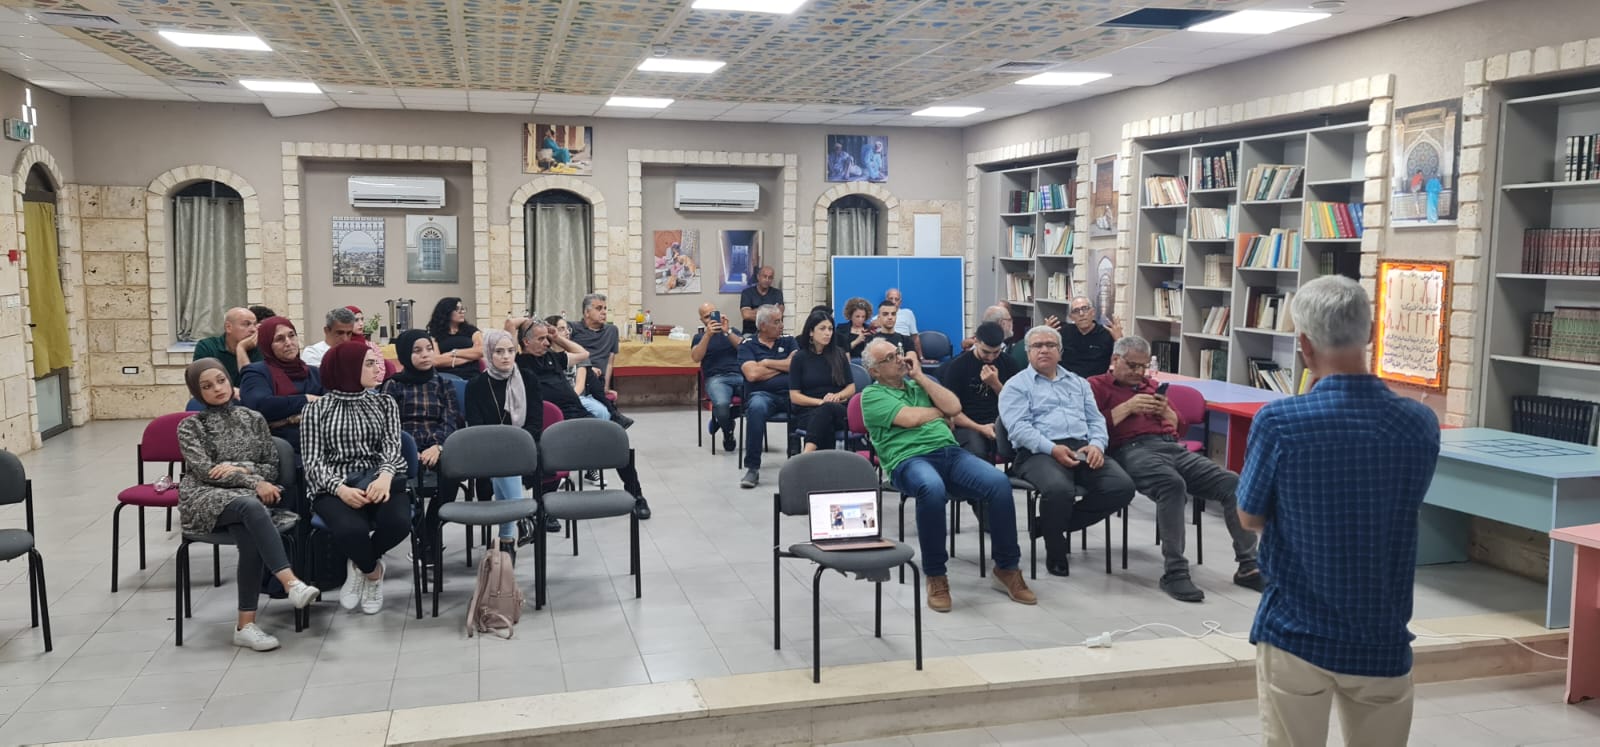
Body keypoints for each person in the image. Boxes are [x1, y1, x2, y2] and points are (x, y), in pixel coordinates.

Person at [1238, 276, 1440, 747]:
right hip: (1382, 635)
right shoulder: (1418, 423)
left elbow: (1249, 517)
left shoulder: (1280, 422)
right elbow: (1404, 500)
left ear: (1304, 344)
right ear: (1370, 334)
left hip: (1296, 631)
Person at [859, 339, 1034, 612]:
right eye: (890, 358)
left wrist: (921, 377)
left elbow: (954, 407)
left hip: (950, 453)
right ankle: (936, 575)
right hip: (908, 459)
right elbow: (910, 418)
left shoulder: (919, 385)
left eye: (898, 353)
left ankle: (1007, 568)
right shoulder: (871, 395)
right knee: (932, 488)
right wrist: (938, 413)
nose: (899, 359)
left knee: (999, 483)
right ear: (874, 371)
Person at [1088, 335, 1263, 602]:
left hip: (1172, 447)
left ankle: (1249, 566)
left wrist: (1168, 414)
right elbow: (1088, 427)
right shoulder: (1095, 386)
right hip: (1130, 450)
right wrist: (1126, 408)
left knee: (1233, 482)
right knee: (1172, 485)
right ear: (1115, 360)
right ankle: (1175, 571)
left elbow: (1180, 427)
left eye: (1143, 367)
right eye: (1132, 365)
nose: (1138, 372)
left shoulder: (1152, 386)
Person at [176, 358, 320, 652]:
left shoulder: (254, 418)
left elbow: (271, 467)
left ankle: (245, 626)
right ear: (197, 392)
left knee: (250, 532)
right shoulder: (190, 426)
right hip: (204, 497)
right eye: (207, 386)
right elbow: (206, 472)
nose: (217, 389)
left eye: (221, 380)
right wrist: (253, 481)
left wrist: (240, 469)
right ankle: (291, 582)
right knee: (251, 507)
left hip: (246, 499)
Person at [999, 325, 1135, 577]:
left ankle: (1048, 525)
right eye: (1037, 346)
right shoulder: (1016, 386)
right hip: (1038, 451)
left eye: (1050, 345)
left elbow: (1096, 420)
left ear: (1060, 352)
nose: (1044, 350)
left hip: (1082, 447)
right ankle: (1056, 550)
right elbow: (1018, 429)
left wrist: (1097, 445)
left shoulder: (1079, 383)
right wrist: (1052, 449)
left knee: (1122, 487)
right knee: (1059, 490)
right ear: (1028, 352)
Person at [302, 342, 411, 615]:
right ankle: (373, 573)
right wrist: (340, 489)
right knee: (352, 530)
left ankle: (359, 565)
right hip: (333, 483)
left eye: (377, 362)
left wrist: (385, 476)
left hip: (379, 476)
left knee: (399, 523)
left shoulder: (384, 402)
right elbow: (313, 462)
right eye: (369, 363)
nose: (378, 369)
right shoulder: (316, 409)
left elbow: (392, 447)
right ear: (348, 368)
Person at [513, 317, 652, 520]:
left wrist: (557, 337)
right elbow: (509, 328)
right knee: (546, 454)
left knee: (617, 443)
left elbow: (583, 354)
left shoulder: (552, 357)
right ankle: (544, 508)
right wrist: (524, 321)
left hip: (578, 414)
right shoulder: (519, 363)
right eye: (541, 339)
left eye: (546, 338)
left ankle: (637, 495)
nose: (546, 343)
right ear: (526, 342)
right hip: (551, 423)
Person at [463, 330, 545, 551]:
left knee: (505, 464)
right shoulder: (476, 385)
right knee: (501, 462)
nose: (506, 356)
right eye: (499, 351)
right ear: (489, 353)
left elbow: (535, 423)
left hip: (524, 444)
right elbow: (477, 428)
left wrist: (515, 443)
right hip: (487, 447)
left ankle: (507, 538)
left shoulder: (528, 379)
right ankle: (520, 520)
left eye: (510, 350)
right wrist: (501, 445)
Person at [380, 330, 462, 479]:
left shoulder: (443, 384)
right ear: (405, 354)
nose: (425, 355)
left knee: (452, 463)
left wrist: (437, 446)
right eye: (417, 351)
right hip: (403, 444)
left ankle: (441, 497)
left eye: (429, 349)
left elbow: (451, 419)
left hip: (439, 443)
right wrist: (409, 449)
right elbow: (388, 424)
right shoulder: (393, 384)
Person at [239, 316, 323, 451]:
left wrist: (288, 416)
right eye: (279, 339)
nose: (288, 343)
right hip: (281, 446)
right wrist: (307, 399)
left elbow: (332, 404)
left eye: (292, 335)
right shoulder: (256, 372)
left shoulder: (314, 372)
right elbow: (261, 406)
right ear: (267, 344)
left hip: (320, 440)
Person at [737, 304, 795, 489]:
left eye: (781, 321)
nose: (781, 325)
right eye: (776, 322)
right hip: (762, 395)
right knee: (756, 407)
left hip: (790, 393)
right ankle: (752, 468)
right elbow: (752, 375)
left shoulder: (789, 341)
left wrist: (767, 363)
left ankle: (796, 460)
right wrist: (783, 367)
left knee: (807, 404)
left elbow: (795, 365)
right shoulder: (747, 345)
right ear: (762, 326)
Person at [943, 321, 1020, 460]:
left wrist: (996, 384)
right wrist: (979, 428)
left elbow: (1017, 405)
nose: (990, 358)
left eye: (996, 352)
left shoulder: (1009, 363)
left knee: (1022, 446)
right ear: (976, 342)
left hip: (1001, 421)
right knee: (977, 451)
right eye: (986, 352)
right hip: (968, 424)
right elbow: (951, 412)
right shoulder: (957, 366)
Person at [789, 309, 855, 453]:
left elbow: (851, 388)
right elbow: (794, 396)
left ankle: (806, 456)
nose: (828, 333)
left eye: (830, 329)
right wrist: (821, 402)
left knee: (827, 411)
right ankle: (821, 464)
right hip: (809, 411)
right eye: (822, 328)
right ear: (811, 332)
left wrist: (837, 396)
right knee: (824, 421)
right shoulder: (799, 358)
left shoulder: (839, 354)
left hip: (839, 409)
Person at [567, 294, 633, 430]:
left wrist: (606, 387)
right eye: (599, 308)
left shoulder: (612, 330)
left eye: (605, 308)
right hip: (579, 377)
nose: (604, 312)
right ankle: (613, 416)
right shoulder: (572, 328)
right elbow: (565, 354)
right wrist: (586, 367)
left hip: (598, 380)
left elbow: (609, 362)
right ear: (587, 312)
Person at [692, 303, 743, 452]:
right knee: (721, 405)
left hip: (739, 375)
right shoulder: (699, 337)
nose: (712, 318)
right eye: (707, 317)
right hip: (716, 379)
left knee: (758, 399)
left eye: (714, 314)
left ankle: (721, 417)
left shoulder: (733, 331)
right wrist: (707, 335)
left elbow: (744, 349)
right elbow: (696, 357)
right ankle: (728, 432)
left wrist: (728, 332)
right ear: (702, 320)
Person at [192, 307, 263, 386]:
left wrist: (241, 349)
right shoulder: (207, 346)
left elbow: (254, 386)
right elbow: (202, 384)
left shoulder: (260, 348)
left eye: (255, 324)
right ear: (228, 327)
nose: (253, 329)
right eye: (246, 324)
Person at [1060, 296, 1123, 379]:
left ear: (1093, 312)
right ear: (1071, 317)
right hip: (1068, 381)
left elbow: (1124, 360)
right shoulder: (1064, 332)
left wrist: (1119, 340)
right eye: (1076, 311)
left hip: (1096, 383)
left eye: (1085, 309)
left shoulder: (1107, 333)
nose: (1081, 314)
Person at [427, 297, 484, 379]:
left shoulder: (471, 330)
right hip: (447, 377)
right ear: (447, 312)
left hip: (472, 375)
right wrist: (471, 357)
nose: (462, 312)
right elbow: (436, 361)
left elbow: (481, 351)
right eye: (457, 309)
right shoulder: (434, 333)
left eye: (462, 309)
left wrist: (454, 353)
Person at [738, 266, 783, 335]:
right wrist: (771, 312)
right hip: (751, 332)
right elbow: (746, 315)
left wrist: (755, 311)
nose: (767, 280)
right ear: (758, 277)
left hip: (772, 333)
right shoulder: (747, 293)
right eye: (764, 276)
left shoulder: (777, 293)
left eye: (770, 277)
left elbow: (779, 314)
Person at [883, 288, 924, 360]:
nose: (893, 302)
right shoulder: (878, 318)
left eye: (896, 299)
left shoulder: (908, 313)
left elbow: (915, 337)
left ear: (900, 302)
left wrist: (921, 358)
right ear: (886, 300)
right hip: (887, 353)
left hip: (905, 350)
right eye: (891, 299)